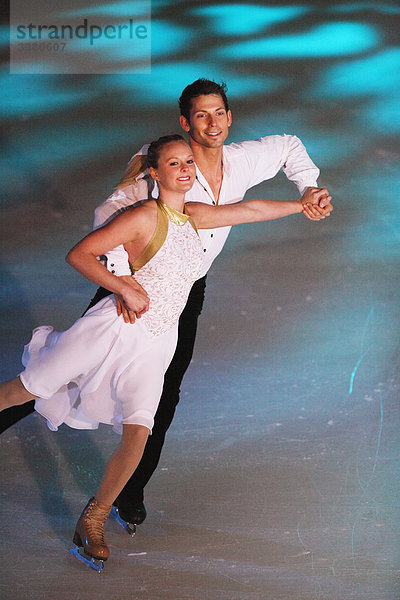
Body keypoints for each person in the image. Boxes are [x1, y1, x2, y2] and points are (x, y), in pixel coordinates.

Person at [0, 135, 330, 570]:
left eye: (188, 161)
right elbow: (80, 253)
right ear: (154, 172)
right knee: (24, 389)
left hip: (155, 345)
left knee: (138, 435)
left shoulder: (194, 215)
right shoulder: (142, 215)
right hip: (110, 330)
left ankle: (94, 518)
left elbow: (248, 210)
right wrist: (122, 286)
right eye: (174, 163)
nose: (186, 169)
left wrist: (300, 204)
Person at [88, 79, 333, 532]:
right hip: (133, 285)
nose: (212, 122)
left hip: (185, 294)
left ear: (230, 117)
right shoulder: (158, 160)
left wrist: (310, 189)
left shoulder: (241, 160)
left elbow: (288, 147)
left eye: (219, 113)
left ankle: (130, 491)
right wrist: (122, 280)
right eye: (201, 115)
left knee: (167, 393)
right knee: (71, 366)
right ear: (185, 122)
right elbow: (110, 213)